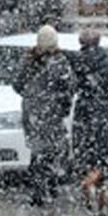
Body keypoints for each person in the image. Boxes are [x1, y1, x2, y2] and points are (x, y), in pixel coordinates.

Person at [13, 25, 77, 206]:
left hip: (33, 112)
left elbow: (17, 84)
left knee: (38, 150)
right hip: (51, 113)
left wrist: (31, 96)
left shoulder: (29, 60)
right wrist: (62, 106)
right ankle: (50, 186)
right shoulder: (60, 62)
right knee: (53, 150)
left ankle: (39, 190)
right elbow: (69, 89)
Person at [70, 30, 108, 211]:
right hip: (104, 116)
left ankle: (97, 192)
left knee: (87, 155)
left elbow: (70, 87)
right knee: (106, 158)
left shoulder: (77, 62)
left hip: (83, 115)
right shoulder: (106, 63)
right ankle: (92, 184)